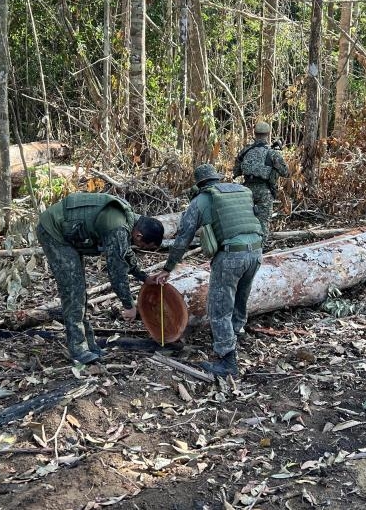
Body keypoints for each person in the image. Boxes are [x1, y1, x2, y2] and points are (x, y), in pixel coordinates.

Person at [147, 164, 263, 377]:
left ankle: (227, 360)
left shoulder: (201, 201)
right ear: (217, 179)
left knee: (218, 306)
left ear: (199, 184)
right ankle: (236, 333)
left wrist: (168, 268)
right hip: (256, 252)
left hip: (230, 256)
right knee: (240, 298)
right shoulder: (242, 191)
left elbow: (183, 239)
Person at [36, 193, 164, 364]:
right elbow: (117, 272)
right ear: (139, 235)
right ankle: (78, 349)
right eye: (143, 245)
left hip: (68, 233)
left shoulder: (129, 220)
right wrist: (129, 305)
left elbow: (125, 253)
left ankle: (89, 344)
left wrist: (144, 277)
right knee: (74, 291)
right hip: (54, 232)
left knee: (79, 291)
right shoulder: (118, 227)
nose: (139, 247)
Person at [233, 122, 289, 247]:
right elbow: (286, 172)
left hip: (246, 190)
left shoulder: (245, 151)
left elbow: (236, 171)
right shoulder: (272, 153)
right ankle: (259, 248)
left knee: (245, 220)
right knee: (263, 221)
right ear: (268, 134)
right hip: (265, 190)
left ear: (255, 134)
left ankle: (244, 246)